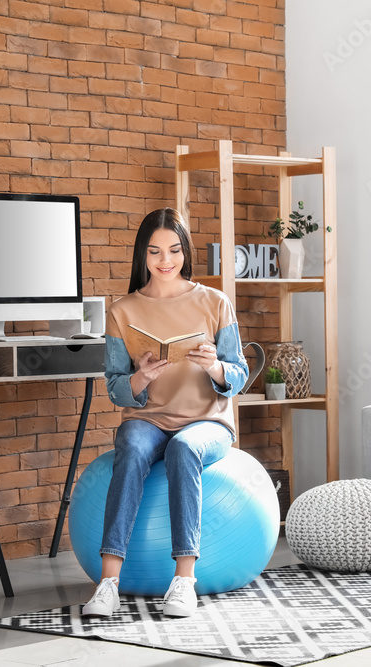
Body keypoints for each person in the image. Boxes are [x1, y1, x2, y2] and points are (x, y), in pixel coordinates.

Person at [82, 208, 249, 618]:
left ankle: (184, 581)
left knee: (184, 450)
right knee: (133, 449)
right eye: (155, 252)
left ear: (184, 252)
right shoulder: (122, 311)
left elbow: (239, 374)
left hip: (207, 421)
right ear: (143, 255)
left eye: (173, 250)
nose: (165, 261)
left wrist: (212, 366)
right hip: (149, 419)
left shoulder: (215, 302)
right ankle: (108, 584)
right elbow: (116, 389)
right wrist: (141, 376)